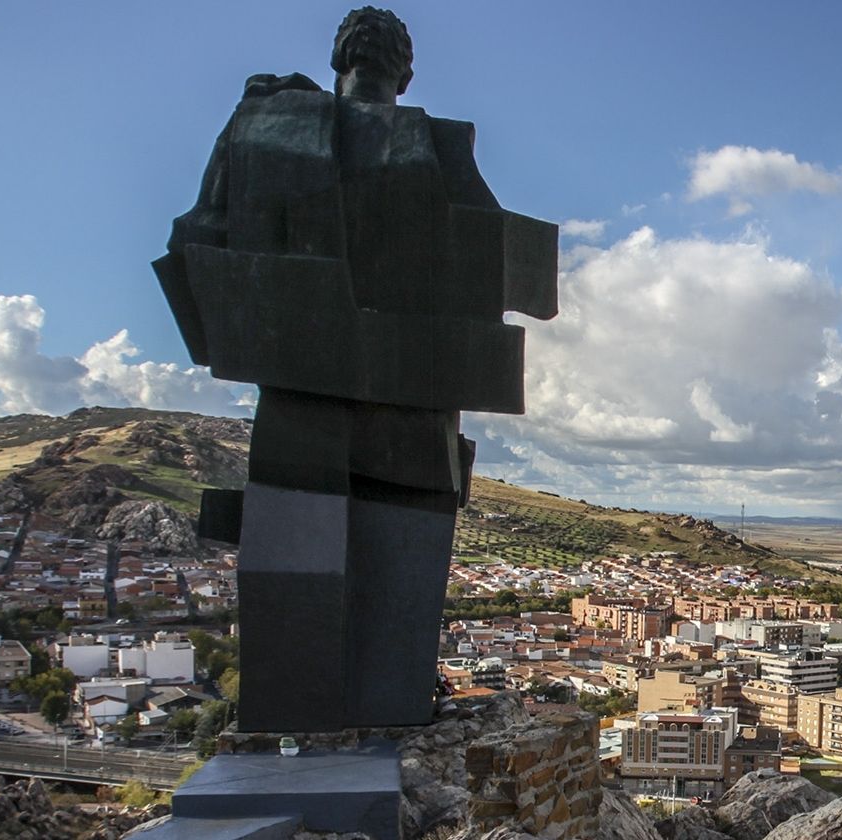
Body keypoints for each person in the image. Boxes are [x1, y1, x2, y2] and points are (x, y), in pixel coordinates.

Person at [153, 7, 555, 731]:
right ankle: (384, 723)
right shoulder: (435, 144)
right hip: (414, 414)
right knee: (397, 594)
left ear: (339, 56)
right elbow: (510, 266)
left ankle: (287, 737)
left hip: (296, 401)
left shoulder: (263, 124)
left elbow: (194, 242)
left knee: (289, 569)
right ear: (405, 71)